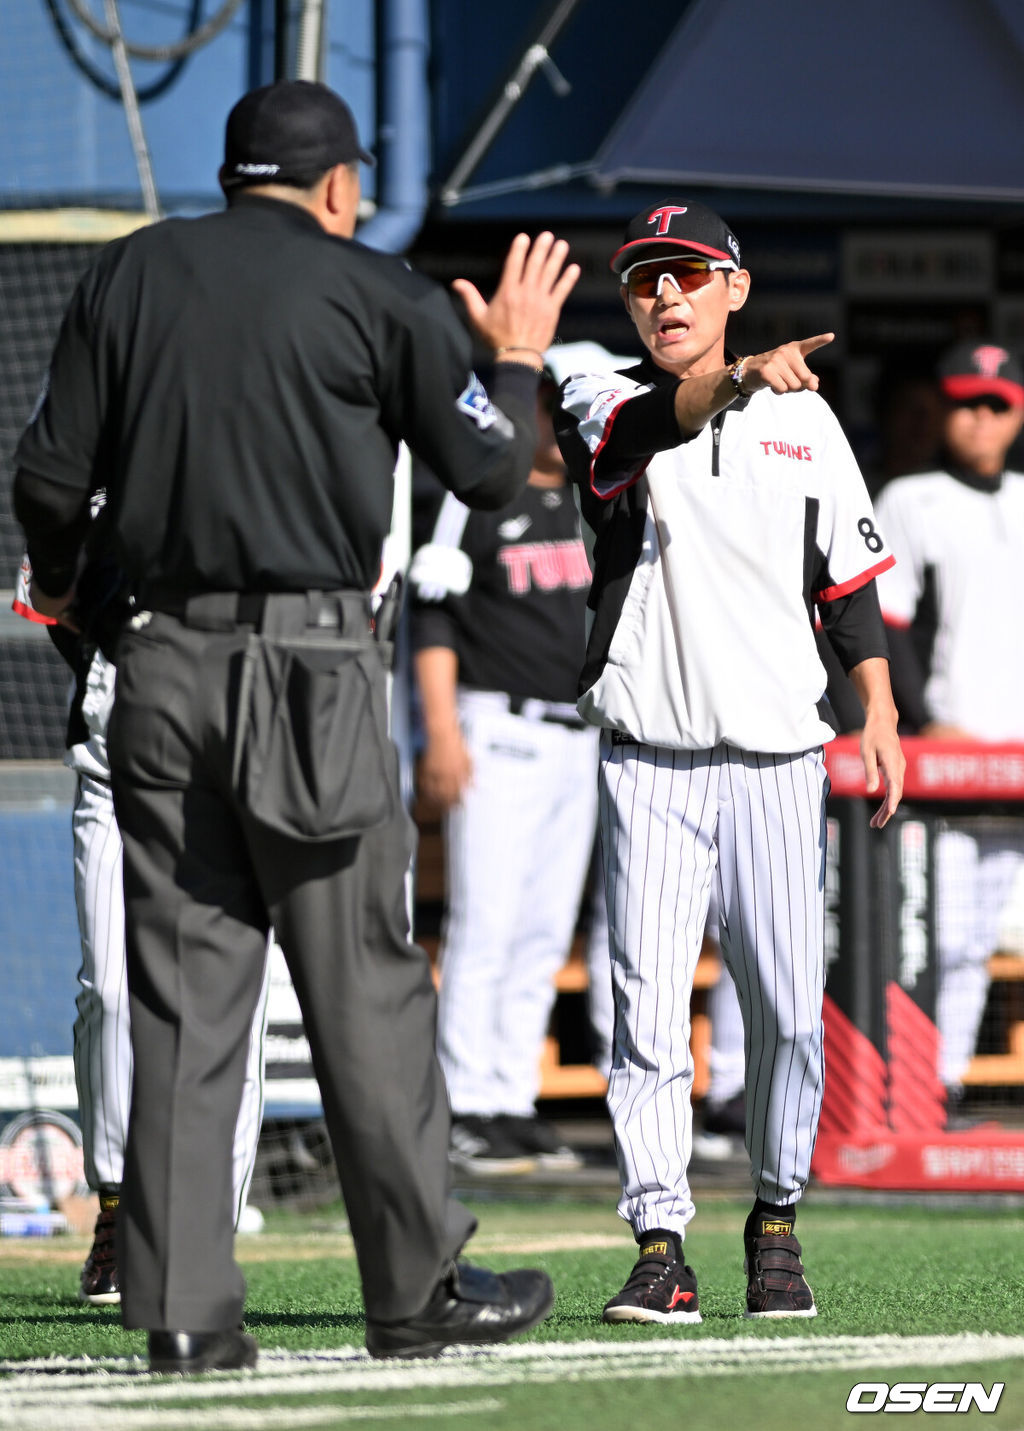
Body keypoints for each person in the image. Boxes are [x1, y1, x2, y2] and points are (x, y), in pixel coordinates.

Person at [12, 79, 578, 1371]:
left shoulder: (127, 276)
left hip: (154, 666)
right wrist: (519, 352)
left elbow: (48, 478)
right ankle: (416, 1285)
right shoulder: (381, 293)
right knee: (363, 987)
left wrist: (74, 591)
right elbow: (492, 470)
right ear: (336, 187)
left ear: (234, 175)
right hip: (311, 671)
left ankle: (182, 1309)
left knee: (183, 1000)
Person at [555, 200, 904, 1323]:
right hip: (649, 754)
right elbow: (650, 430)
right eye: (646, 278)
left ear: (735, 288)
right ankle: (660, 1242)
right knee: (648, 1013)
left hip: (774, 757)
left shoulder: (810, 426)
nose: (664, 296)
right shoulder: (600, 393)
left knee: (790, 1015)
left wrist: (881, 715)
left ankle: (776, 1219)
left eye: (688, 276)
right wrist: (742, 379)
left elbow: (845, 586)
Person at [13, 557, 270, 1306]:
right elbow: (45, 587)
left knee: (227, 997)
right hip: (114, 754)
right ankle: (121, 1211)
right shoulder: (90, 443)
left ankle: (202, 1227)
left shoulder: (259, 442)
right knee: (113, 993)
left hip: (241, 746)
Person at [409, 369, 597, 1175]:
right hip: (497, 724)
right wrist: (441, 731)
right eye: (563, 411)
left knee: (546, 925)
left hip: (579, 735)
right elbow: (433, 613)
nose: (571, 428)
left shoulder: (599, 503)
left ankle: (511, 1098)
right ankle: (461, 1103)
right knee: (483, 919)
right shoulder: (481, 494)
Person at [873, 340, 1024, 1115]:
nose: (981, 417)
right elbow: (888, 625)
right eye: (968, 402)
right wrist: (926, 722)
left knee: (988, 939)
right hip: (953, 755)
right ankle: (928, 1082)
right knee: (939, 937)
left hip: (1021, 757)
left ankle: (950, 1076)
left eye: (997, 404)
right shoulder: (911, 495)